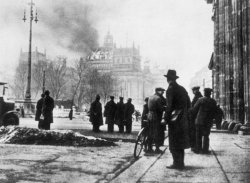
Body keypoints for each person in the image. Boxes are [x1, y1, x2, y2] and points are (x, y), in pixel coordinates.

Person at [164, 70, 191, 169]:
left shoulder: (170, 89)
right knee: (181, 141)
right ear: (175, 78)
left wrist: (166, 118)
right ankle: (181, 163)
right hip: (183, 118)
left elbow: (169, 106)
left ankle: (176, 163)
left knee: (174, 141)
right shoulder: (182, 89)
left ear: (168, 79)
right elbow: (189, 103)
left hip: (174, 119)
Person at [191, 88, 217, 154]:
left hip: (199, 120)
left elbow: (194, 109)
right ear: (210, 93)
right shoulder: (213, 101)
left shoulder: (200, 100)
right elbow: (215, 111)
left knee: (198, 135)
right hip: (208, 121)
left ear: (205, 93)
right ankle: (205, 150)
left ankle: (198, 149)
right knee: (206, 135)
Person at [147, 88, 166, 153]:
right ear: (158, 91)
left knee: (150, 132)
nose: (163, 92)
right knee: (156, 132)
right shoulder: (158, 98)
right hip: (155, 117)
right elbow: (160, 109)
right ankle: (157, 149)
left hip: (149, 116)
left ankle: (149, 148)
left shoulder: (150, 97)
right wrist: (165, 108)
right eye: (162, 91)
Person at [189, 86, 203, 151]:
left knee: (195, 132)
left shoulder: (198, 97)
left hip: (195, 117)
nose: (193, 91)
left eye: (194, 90)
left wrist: (190, 111)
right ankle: (195, 146)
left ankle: (195, 146)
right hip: (195, 116)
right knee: (195, 132)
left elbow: (195, 108)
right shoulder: (198, 96)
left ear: (196, 90)